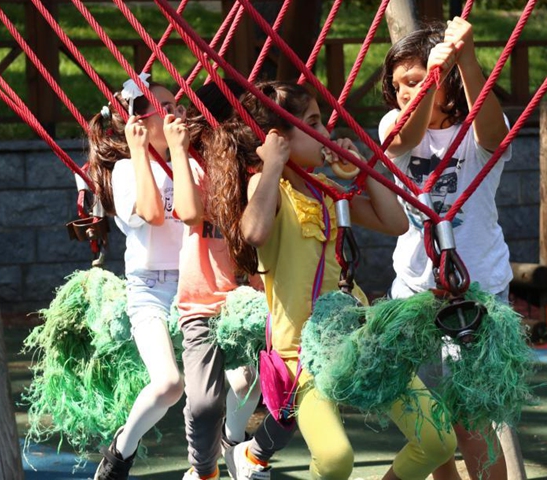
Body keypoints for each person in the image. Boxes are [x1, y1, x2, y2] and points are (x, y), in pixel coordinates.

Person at [206, 80, 457, 480]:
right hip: (303, 353)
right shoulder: (270, 189)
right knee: (337, 459)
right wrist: (271, 164)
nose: (326, 134)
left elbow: (394, 222)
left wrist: (362, 169)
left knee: (439, 439)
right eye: (314, 123)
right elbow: (253, 233)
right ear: (279, 139)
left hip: (357, 337)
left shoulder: (328, 193)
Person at [379, 18, 517, 480]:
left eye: (415, 82)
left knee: (472, 417)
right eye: (399, 84)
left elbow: (495, 136)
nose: (405, 92)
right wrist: (428, 83)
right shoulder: (393, 126)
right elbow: (404, 139)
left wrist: (467, 58)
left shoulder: (476, 128)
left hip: (475, 290)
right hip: (417, 290)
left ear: (448, 82)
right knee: (434, 420)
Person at [86, 75, 190, 480]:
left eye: (178, 104)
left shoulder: (192, 160)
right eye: (166, 107)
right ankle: (120, 452)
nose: (177, 111)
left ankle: (236, 452)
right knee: (168, 385)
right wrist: (138, 149)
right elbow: (153, 213)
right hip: (149, 289)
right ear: (140, 124)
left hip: (195, 284)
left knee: (240, 376)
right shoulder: (128, 169)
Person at [174, 79, 266, 480]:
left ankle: (233, 444)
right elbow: (191, 213)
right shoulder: (194, 164)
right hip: (202, 300)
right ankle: (203, 469)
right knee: (204, 403)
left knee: (256, 379)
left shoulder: (254, 170)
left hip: (247, 299)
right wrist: (178, 150)